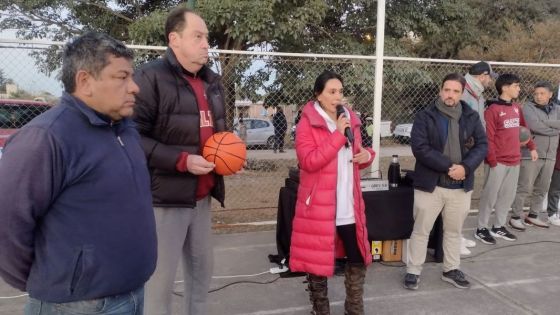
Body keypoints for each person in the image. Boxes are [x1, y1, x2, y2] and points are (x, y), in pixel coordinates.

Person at [0, 32, 156, 315]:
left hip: (132, 294)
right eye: (122, 77)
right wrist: (56, 282)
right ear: (85, 81)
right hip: (75, 306)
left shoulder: (124, 130)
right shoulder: (46, 138)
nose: (134, 87)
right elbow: (7, 223)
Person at [132, 7, 226, 315]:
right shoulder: (150, 77)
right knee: (158, 290)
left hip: (202, 198)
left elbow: (219, 135)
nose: (205, 44)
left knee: (201, 283)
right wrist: (181, 161)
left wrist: (229, 158)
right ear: (174, 39)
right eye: (197, 36)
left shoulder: (212, 82)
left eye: (207, 37)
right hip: (165, 200)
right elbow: (132, 137)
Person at [290, 70, 375, 315]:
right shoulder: (307, 123)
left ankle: (355, 310)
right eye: (331, 92)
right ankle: (320, 310)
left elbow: (359, 152)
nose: (337, 97)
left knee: (358, 259)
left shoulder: (351, 119)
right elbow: (309, 161)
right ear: (318, 95)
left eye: (340, 91)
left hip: (348, 205)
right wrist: (337, 136)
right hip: (318, 206)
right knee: (317, 265)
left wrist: (366, 156)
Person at [404, 73, 487, 290]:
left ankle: (451, 269)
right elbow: (420, 148)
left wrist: (466, 168)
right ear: (440, 91)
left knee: (454, 231)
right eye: (447, 90)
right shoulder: (425, 116)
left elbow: (482, 145)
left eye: (455, 91)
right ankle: (413, 270)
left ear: (461, 93)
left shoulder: (471, 116)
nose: (450, 95)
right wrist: (450, 167)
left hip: (460, 186)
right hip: (431, 185)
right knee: (421, 230)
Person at [475, 74, 537, 245]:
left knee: (507, 196)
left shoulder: (517, 108)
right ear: (504, 88)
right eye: (516, 85)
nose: (519, 88)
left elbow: (524, 130)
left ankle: (498, 226)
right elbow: (489, 138)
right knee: (490, 195)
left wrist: (531, 147)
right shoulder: (492, 110)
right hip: (497, 162)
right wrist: (492, 160)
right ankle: (481, 228)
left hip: (514, 160)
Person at [459, 61, 497, 255]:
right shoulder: (464, 91)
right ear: (482, 75)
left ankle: (455, 235)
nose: (491, 80)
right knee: (457, 195)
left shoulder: (476, 92)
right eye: (490, 76)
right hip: (462, 151)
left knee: (465, 193)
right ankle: (451, 238)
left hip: (472, 150)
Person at [510, 81, 560, 229]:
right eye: (536, 93)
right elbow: (534, 126)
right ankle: (515, 216)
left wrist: (545, 122)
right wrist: (555, 129)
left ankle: (533, 216)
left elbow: (543, 124)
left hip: (550, 155)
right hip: (531, 154)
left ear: (550, 94)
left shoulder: (557, 108)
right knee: (524, 187)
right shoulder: (528, 108)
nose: (538, 96)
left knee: (542, 188)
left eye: (542, 93)